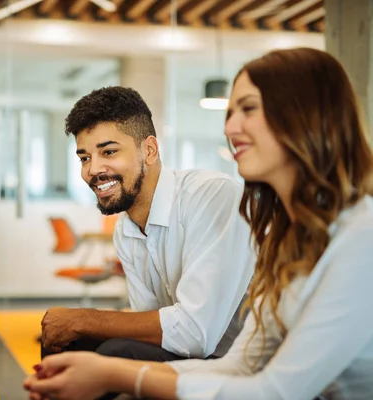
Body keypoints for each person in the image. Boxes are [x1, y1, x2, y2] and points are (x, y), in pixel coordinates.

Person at [25, 47, 373, 400]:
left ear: (307, 118)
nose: (229, 126)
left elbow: (273, 388)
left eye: (248, 109)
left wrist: (118, 373)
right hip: (231, 370)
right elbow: (242, 364)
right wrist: (105, 370)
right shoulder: (294, 239)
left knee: (113, 354)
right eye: (231, 112)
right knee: (81, 351)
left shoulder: (362, 237)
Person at [41, 86, 254, 367]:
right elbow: (151, 327)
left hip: (238, 364)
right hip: (189, 356)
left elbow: (196, 335)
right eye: (85, 158)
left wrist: (83, 319)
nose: (92, 170)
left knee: (115, 352)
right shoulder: (126, 229)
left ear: (150, 150)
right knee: (67, 344)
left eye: (109, 151)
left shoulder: (212, 196)